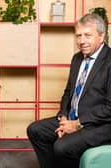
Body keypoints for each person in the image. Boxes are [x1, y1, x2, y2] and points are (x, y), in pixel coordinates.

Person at [27, 13, 111, 168]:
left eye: (88, 35)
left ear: (101, 36)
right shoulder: (77, 58)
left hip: (100, 125)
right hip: (72, 118)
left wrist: (77, 124)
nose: (82, 41)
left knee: (62, 146)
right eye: (78, 36)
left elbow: (109, 108)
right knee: (35, 130)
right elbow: (68, 93)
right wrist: (64, 116)